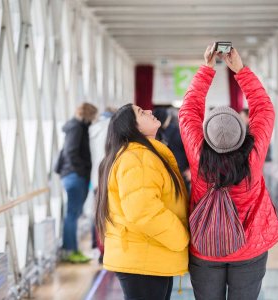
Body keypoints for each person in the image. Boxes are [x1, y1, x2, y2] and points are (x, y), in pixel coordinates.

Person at [178, 45, 278, 300]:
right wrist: (241, 70)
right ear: (242, 132)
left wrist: (207, 69)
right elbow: (264, 109)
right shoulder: (253, 156)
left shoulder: (198, 155)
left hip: (205, 248)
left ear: (206, 135)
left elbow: (188, 110)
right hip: (249, 249)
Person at [95, 104, 189, 300]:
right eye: (141, 113)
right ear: (133, 127)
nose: (149, 112)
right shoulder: (138, 158)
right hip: (145, 257)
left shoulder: (142, 154)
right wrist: (180, 237)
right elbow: (143, 210)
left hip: (149, 254)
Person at [55, 102, 98, 263]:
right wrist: (81, 171)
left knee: (73, 213)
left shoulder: (76, 127)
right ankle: (70, 250)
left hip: (72, 175)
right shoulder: (77, 128)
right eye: (93, 116)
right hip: (74, 176)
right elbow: (71, 152)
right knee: (72, 214)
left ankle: (71, 249)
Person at [89, 106, 117, 262]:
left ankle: (99, 249)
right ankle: (109, 249)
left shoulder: (92, 130)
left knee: (98, 215)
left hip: (95, 179)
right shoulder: (114, 129)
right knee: (111, 215)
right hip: (109, 176)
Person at [153, 107, 191, 191]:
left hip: (180, 172)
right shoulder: (161, 133)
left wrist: (190, 169)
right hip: (171, 172)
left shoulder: (176, 132)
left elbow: (189, 151)